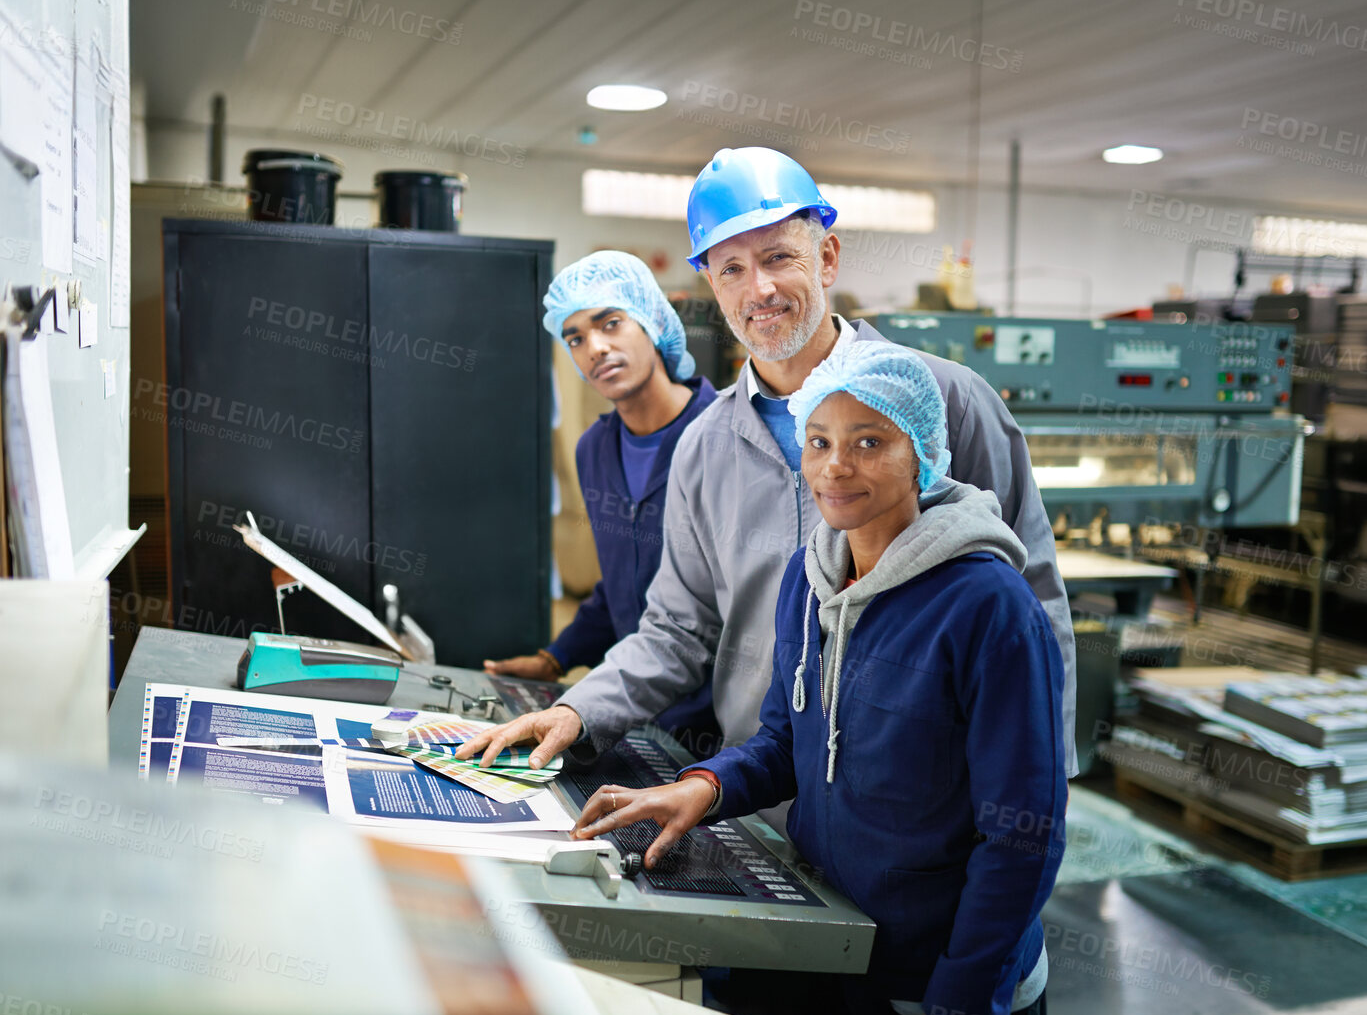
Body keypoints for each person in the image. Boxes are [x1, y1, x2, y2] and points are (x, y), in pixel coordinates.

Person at [460, 147, 1074, 781]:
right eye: (731, 269)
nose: (759, 289)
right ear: (712, 285)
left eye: (779, 257)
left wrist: (1029, 799)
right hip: (758, 798)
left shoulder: (949, 402)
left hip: (922, 810)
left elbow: (1033, 606)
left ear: (827, 257)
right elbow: (678, 629)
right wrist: (578, 710)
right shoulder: (704, 447)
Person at [572, 341, 1067, 1015]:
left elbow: (1021, 839)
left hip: (950, 992)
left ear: (923, 455)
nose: (837, 466)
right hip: (841, 950)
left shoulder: (987, 608)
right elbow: (782, 741)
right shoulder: (815, 579)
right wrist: (702, 788)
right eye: (819, 441)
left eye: (870, 442)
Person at [481, 250, 721, 754]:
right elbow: (622, 585)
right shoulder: (596, 449)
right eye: (576, 338)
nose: (595, 347)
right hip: (632, 711)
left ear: (653, 321)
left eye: (610, 323)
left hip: (719, 727)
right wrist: (556, 657)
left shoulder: (724, 436)